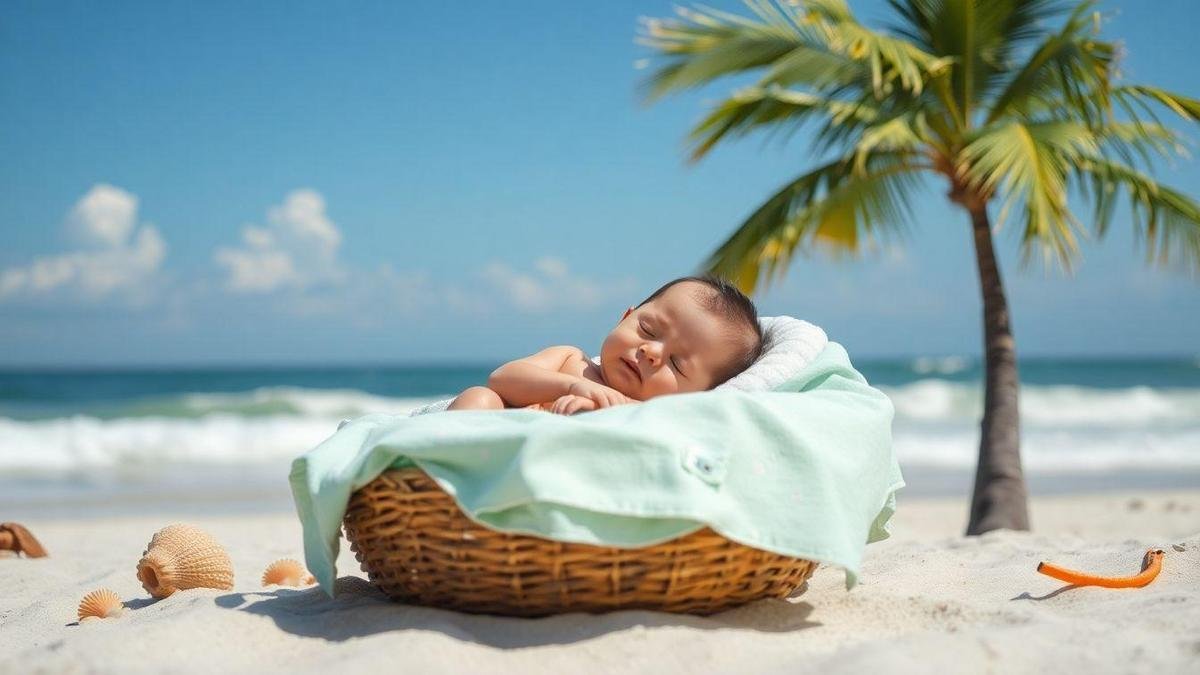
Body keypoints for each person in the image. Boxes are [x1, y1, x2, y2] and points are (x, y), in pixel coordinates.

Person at [448, 275, 764, 415]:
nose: (651, 352)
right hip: (494, 449)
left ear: (699, 395)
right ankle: (440, 480)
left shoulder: (648, 414)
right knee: (480, 397)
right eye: (647, 329)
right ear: (625, 317)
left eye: (677, 364)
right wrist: (572, 387)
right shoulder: (571, 360)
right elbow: (502, 378)